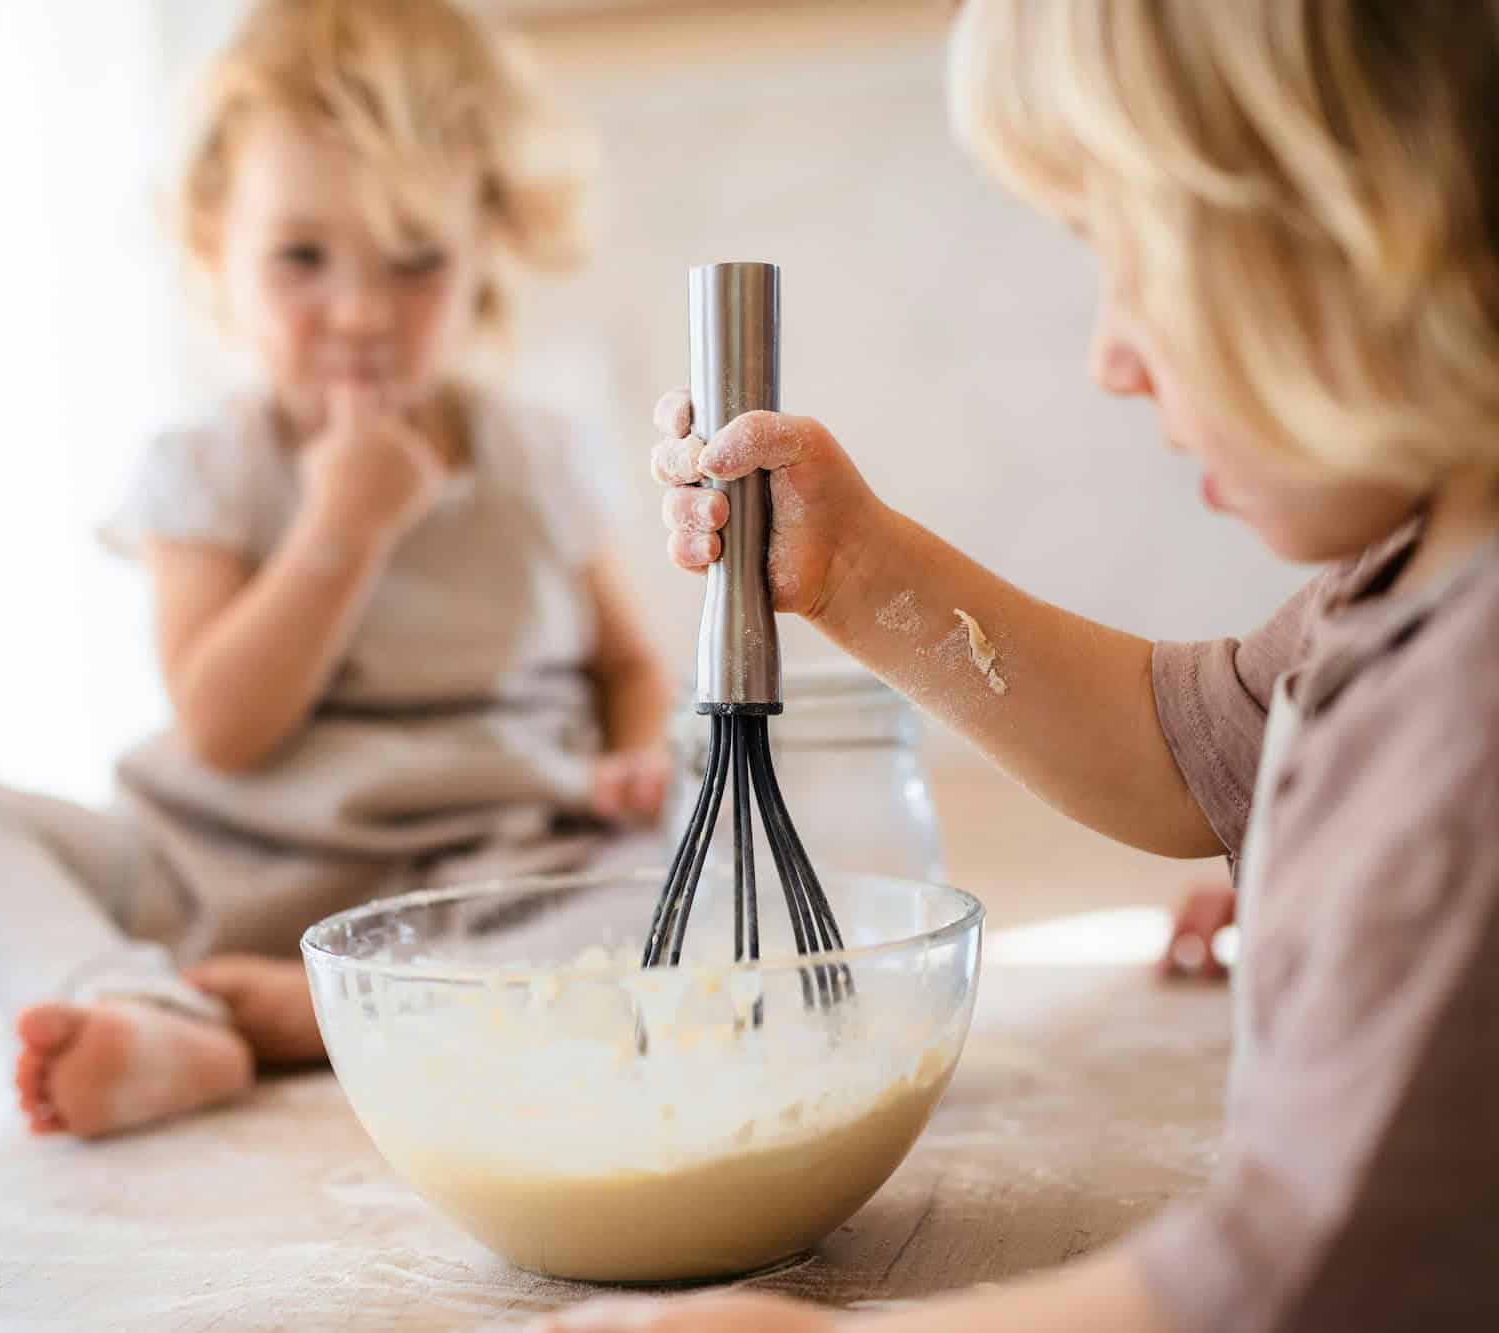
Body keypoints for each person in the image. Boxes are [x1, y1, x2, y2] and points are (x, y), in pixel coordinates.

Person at [541, 0, 1499, 1329]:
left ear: (1371, 227)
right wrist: (859, 571)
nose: (1111, 357)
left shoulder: (1475, 711)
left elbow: (1298, 1290)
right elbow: (1185, 751)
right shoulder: (1416, 583)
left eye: (1134, 258)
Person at [0, 0, 670, 1140]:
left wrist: (637, 755)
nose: (358, 310)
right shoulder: (205, 470)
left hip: (479, 882)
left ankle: (331, 1012)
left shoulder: (533, 458)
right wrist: (339, 528)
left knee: (686, 865)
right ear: (215, 246)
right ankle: (140, 1003)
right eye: (302, 257)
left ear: (486, 249)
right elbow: (220, 729)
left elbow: (630, 664)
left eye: (414, 262)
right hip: (217, 875)